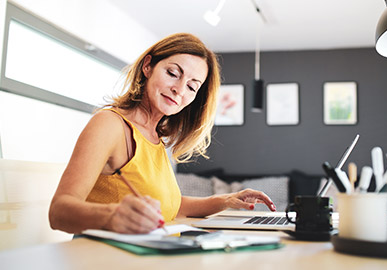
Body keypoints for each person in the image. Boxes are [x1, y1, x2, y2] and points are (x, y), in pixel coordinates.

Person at [49, 33, 276, 235]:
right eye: (173, 73)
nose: (179, 89)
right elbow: (59, 212)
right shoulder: (110, 124)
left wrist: (227, 199)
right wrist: (111, 216)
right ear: (148, 66)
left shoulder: (157, 139)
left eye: (192, 86)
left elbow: (171, 206)